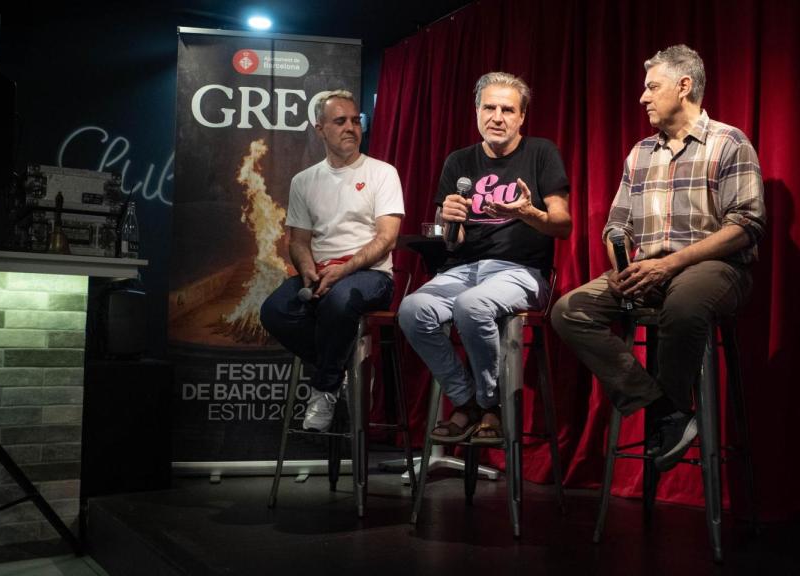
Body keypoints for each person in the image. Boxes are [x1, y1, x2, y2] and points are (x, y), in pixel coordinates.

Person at [552, 45, 765, 472]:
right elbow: (617, 224)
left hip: (714, 269)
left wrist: (670, 264)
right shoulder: (640, 153)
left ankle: (670, 412)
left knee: (683, 304)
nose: (642, 97)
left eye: (652, 87)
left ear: (683, 86)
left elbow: (746, 225)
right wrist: (621, 267)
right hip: (647, 270)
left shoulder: (729, 142)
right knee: (569, 311)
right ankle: (663, 409)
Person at [398, 72, 571, 445]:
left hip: (521, 272)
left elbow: (563, 225)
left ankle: (491, 404)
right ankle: (467, 400)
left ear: (522, 116)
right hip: (463, 270)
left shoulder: (541, 153)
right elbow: (450, 240)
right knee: (412, 309)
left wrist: (529, 213)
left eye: (507, 110)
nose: (497, 117)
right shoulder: (459, 161)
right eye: (489, 108)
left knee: (471, 305)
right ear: (476, 111)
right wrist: (448, 220)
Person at [260, 90, 404, 432]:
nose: (351, 128)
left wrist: (344, 270)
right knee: (274, 311)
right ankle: (343, 367)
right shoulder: (304, 181)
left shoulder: (382, 173)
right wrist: (308, 270)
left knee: (339, 301)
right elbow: (298, 241)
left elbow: (387, 238)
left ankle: (324, 388)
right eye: (340, 121)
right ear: (320, 128)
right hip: (322, 273)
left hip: (370, 275)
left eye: (356, 120)